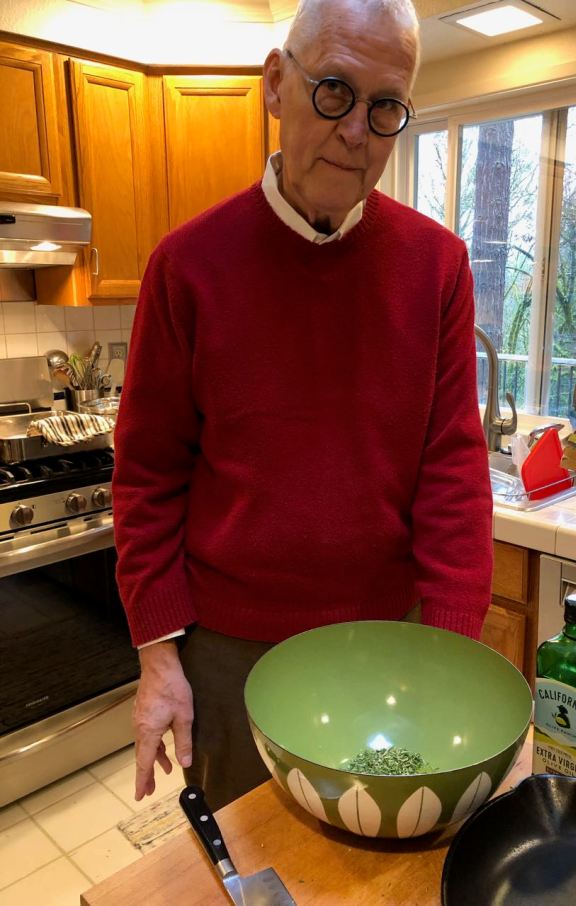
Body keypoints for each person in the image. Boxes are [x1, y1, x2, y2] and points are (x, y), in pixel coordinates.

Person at [112, 0, 493, 812]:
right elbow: (147, 474)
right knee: (248, 861)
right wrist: (159, 656)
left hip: (391, 640)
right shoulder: (186, 267)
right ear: (276, 85)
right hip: (230, 651)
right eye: (334, 91)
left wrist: (452, 650)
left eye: (385, 107)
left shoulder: (439, 268)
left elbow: (453, 467)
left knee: (381, 867)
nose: (356, 131)